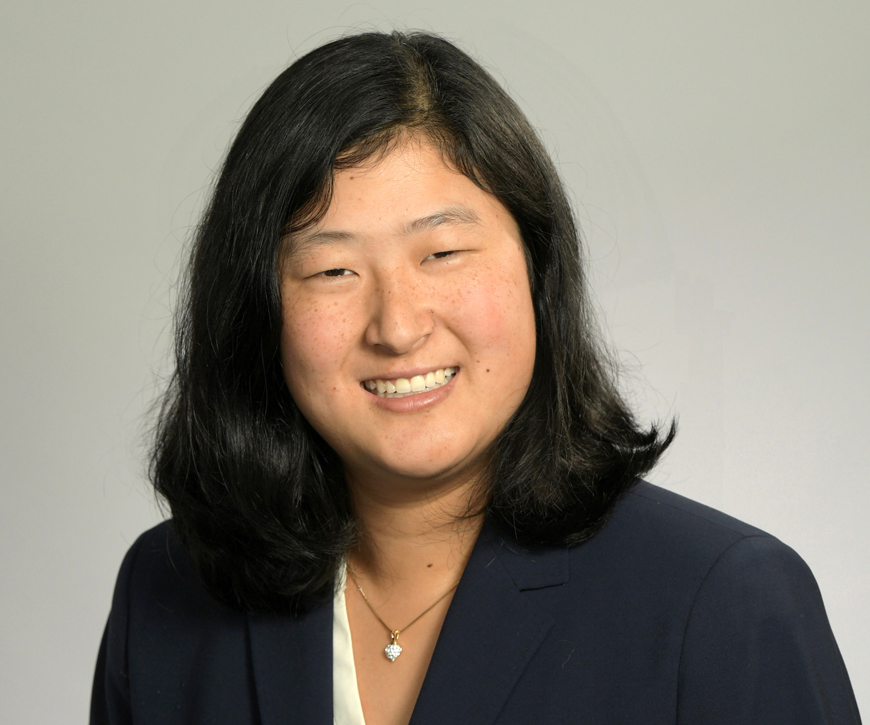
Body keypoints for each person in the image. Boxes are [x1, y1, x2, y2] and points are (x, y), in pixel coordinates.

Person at [90, 30, 861, 725]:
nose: (397, 326)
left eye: (443, 253)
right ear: (257, 308)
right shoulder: (164, 593)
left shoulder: (724, 603)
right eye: (333, 269)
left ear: (538, 268)